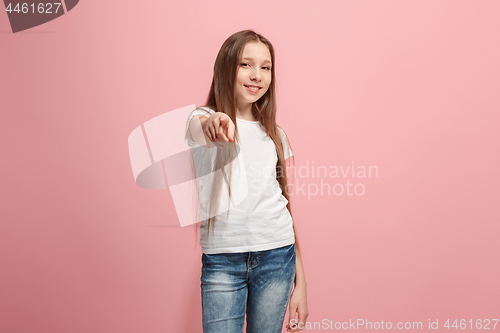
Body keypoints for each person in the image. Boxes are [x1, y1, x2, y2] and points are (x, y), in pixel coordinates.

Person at [184, 29, 308, 333]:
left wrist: (301, 282)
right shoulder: (201, 118)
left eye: (265, 67)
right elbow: (203, 128)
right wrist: (215, 122)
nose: (257, 75)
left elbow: (284, 205)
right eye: (246, 64)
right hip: (223, 262)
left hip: (278, 257)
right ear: (226, 67)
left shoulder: (275, 135)